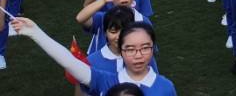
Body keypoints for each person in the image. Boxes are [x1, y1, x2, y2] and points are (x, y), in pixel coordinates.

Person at [11, 17, 176, 95]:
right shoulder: (107, 80)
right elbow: (70, 62)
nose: (138, 55)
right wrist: (36, 33)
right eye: (130, 49)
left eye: (145, 48)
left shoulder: (166, 87)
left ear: (153, 48)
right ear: (121, 50)